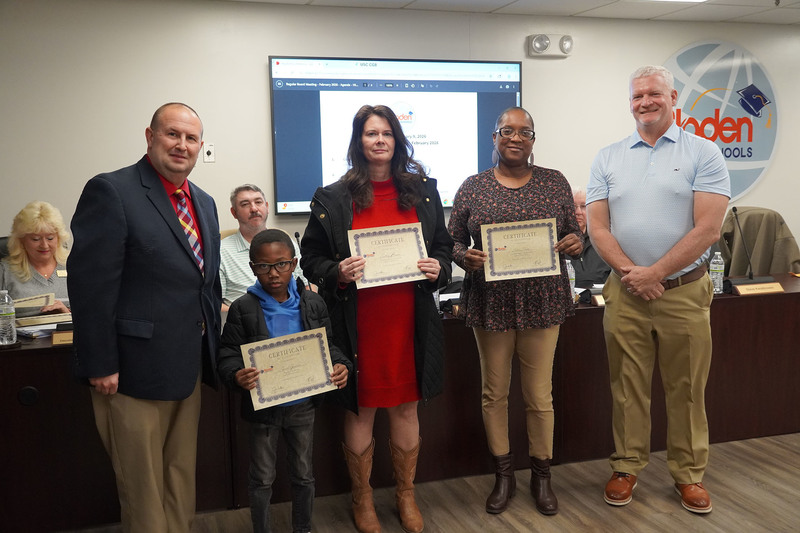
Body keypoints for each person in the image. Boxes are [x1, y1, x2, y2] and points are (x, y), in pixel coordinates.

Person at [68, 102, 222, 533]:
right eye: (172, 134)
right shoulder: (112, 191)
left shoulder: (204, 202)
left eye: (191, 138)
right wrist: (100, 363)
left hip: (186, 366)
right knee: (142, 488)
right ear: (150, 136)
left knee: (178, 477)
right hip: (130, 373)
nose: (182, 145)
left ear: (200, 147)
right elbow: (90, 287)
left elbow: (203, 287)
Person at [300, 104, 453, 533]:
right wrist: (337, 272)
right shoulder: (333, 197)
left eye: (386, 133)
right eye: (371, 134)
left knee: (406, 409)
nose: (380, 140)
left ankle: (406, 494)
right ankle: (362, 498)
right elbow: (311, 258)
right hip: (358, 322)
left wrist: (438, 266)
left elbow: (442, 246)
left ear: (397, 140)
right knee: (360, 410)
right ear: (359, 141)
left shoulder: (422, 191)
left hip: (410, 320)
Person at [586, 66, 730, 514]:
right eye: (636, 96)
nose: (644, 102)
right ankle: (627, 465)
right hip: (625, 292)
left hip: (684, 292)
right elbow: (597, 227)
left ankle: (689, 475)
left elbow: (708, 228)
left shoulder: (704, 153)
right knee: (627, 386)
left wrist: (658, 273)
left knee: (686, 387)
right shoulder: (608, 157)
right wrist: (634, 274)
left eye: (653, 94)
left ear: (673, 99)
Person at [448, 106, 582, 517]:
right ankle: (503, 475)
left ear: (533, 140)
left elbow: (573, 232)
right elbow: (450, 242)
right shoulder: (473, 187)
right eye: (507, 130)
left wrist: (577, 240)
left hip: (543, 300)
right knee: (495, 392)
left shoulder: (555, 181)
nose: (516, 138)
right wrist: (463, 256)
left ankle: (541, 475)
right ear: (494, 137)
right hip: (491, 303)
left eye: (525, 132)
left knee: (540, 396)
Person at [217, 229, 351, 533]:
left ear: (294, 264)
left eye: (281, 264)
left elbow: (329, 346)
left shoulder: (313, 304)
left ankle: (302, 528)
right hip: (263, 409)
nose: (273, 273)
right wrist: (236, 374)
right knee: (262, 478)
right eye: (264, 266)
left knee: (303, 475)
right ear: (252, 268)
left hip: (303, 406)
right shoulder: (243, 308)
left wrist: (342, 365)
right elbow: (227, 353)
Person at [220, 184, 308, 312]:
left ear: (267, 207)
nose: (254, 208)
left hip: (293, 320)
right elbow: (213, 302)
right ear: (234, 212)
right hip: (247, 325)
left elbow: (307, 287)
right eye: (245, 204)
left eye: (258, 202)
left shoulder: (287, 243)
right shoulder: (221, 251)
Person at [0, 201, 71, 317]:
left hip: (66, 334)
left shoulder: (72, 266)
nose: (44, 245)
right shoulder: (5, 272)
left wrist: (67, 314)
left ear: (59, 238)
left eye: (50, 238)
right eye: (35, 239)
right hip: (19, 334)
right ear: (21, 240)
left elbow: (90, 313)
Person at [569, 188, 611, 288]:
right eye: (573, 206)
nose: (578, 212)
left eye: (583, 206)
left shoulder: (603, 238)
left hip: (600, 297)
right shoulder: (558, 240)